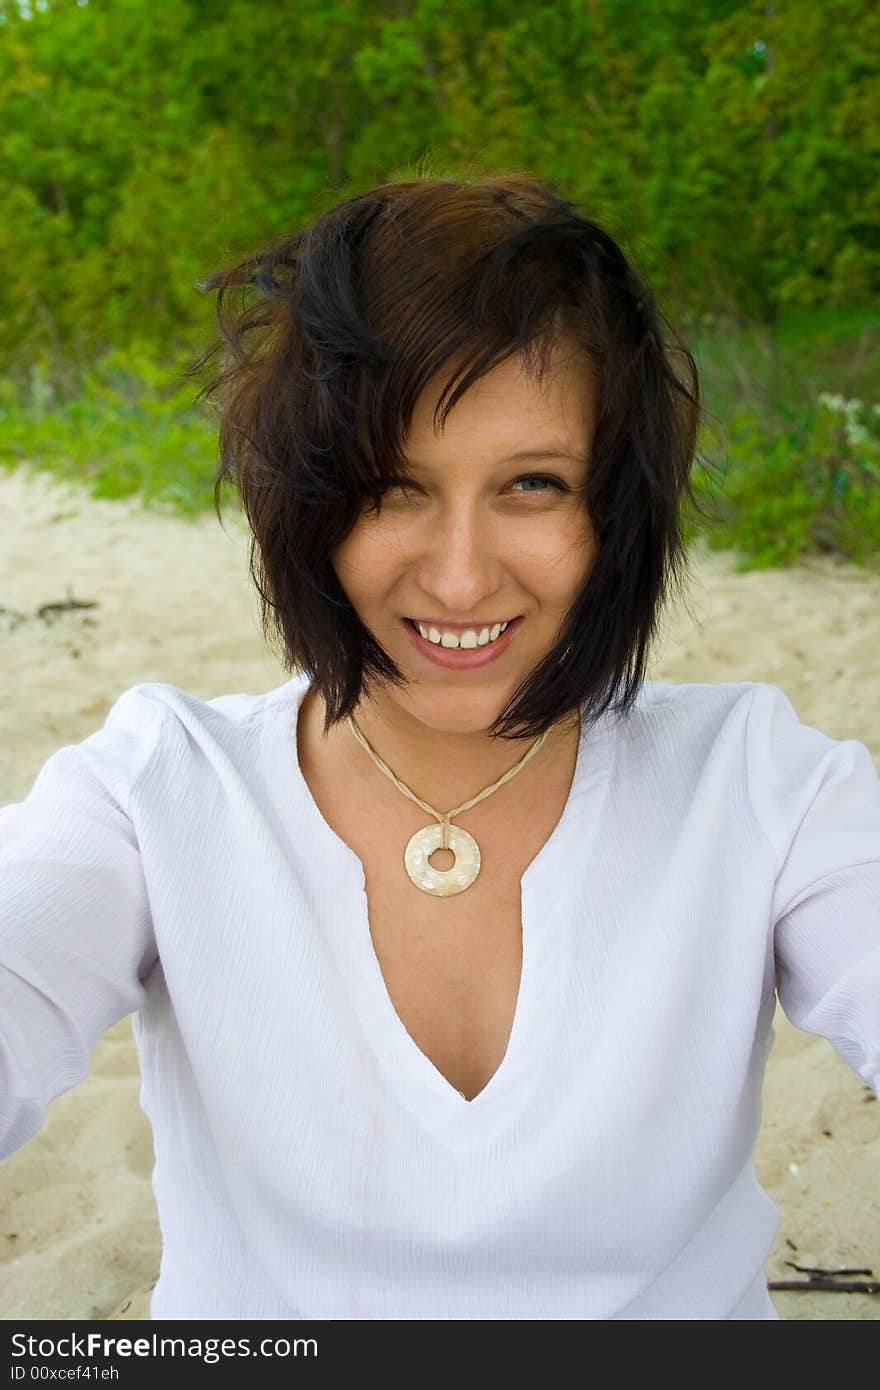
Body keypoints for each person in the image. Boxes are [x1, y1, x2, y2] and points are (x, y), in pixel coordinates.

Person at [1, 172, 878, 1321]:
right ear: (305, 500)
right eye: (391, 487)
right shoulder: (156, 789)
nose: (460, 575)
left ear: (615, 507)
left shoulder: (764, 786)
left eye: (532, 483)